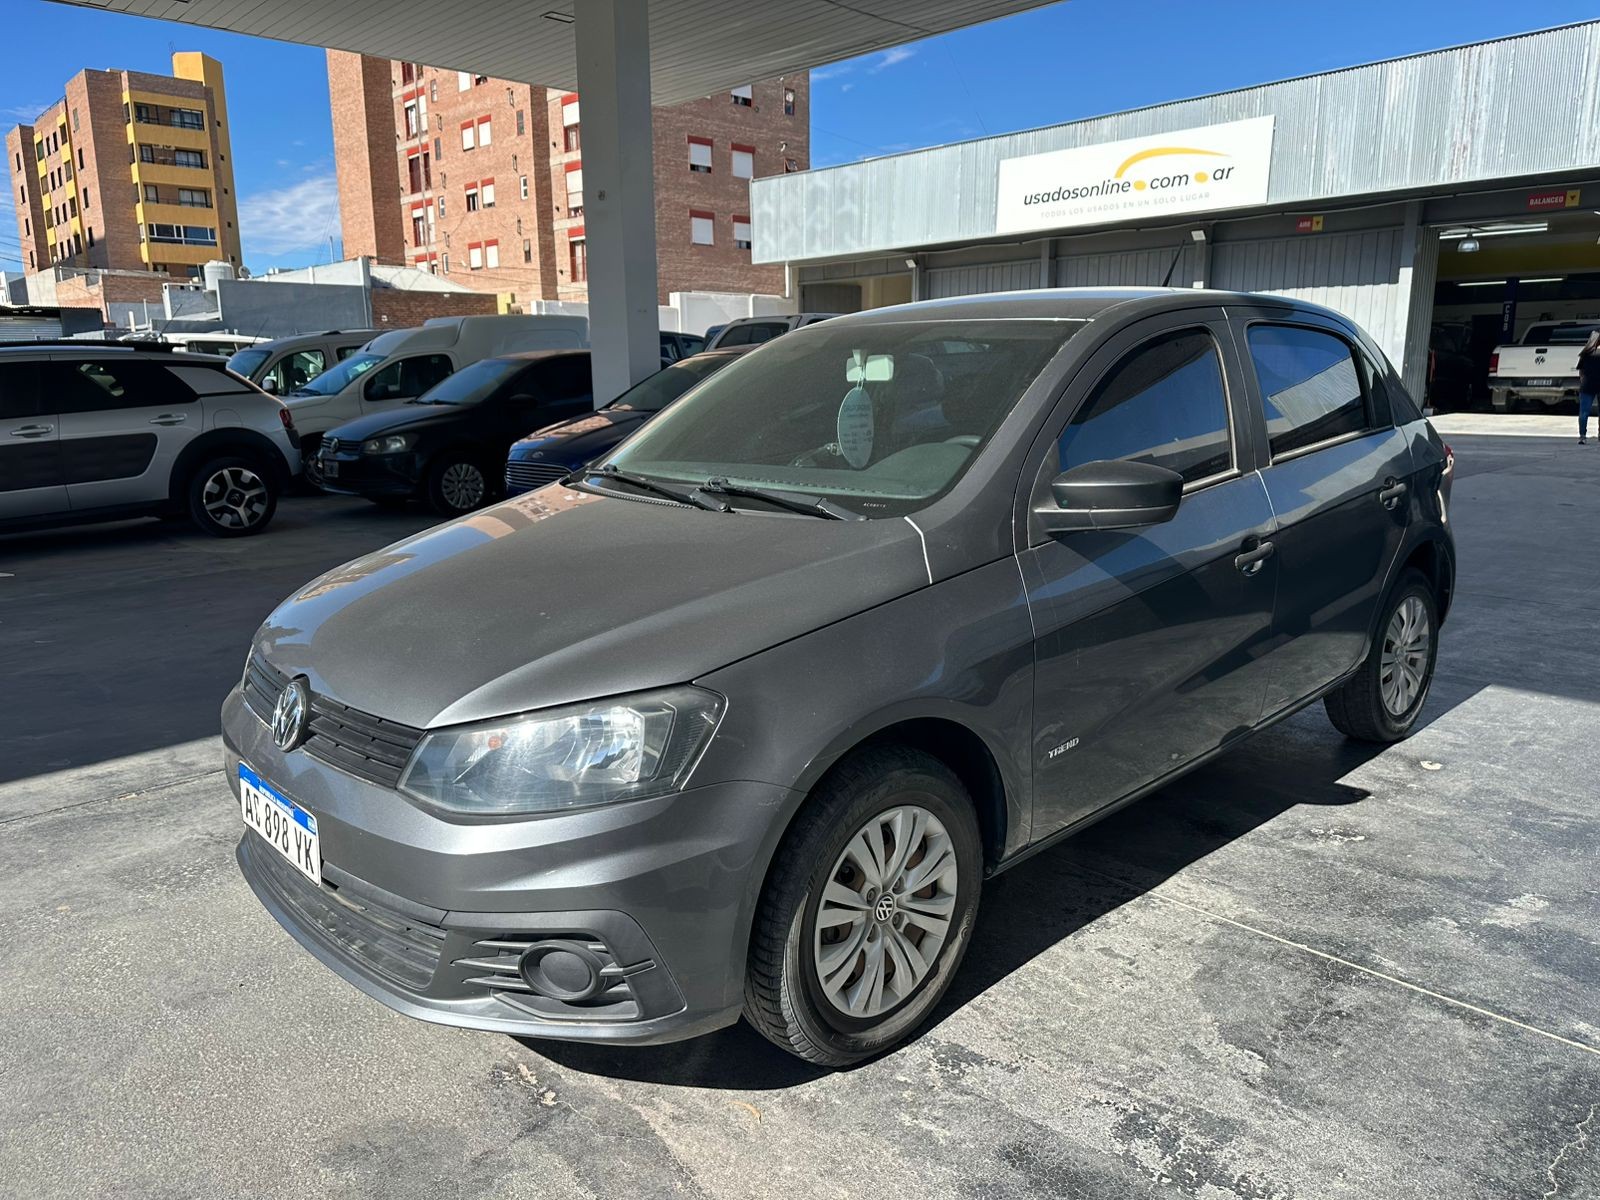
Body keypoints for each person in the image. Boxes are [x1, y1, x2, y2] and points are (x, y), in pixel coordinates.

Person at [1579, 330, 1600, 445]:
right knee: (1584, 412)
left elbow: (1581, 371)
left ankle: (1582, 436)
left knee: (1584, 412)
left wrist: (1583, 380)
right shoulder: (1586, 354)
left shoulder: (1585, 354)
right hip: (1589, 386)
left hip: (1587, 386)